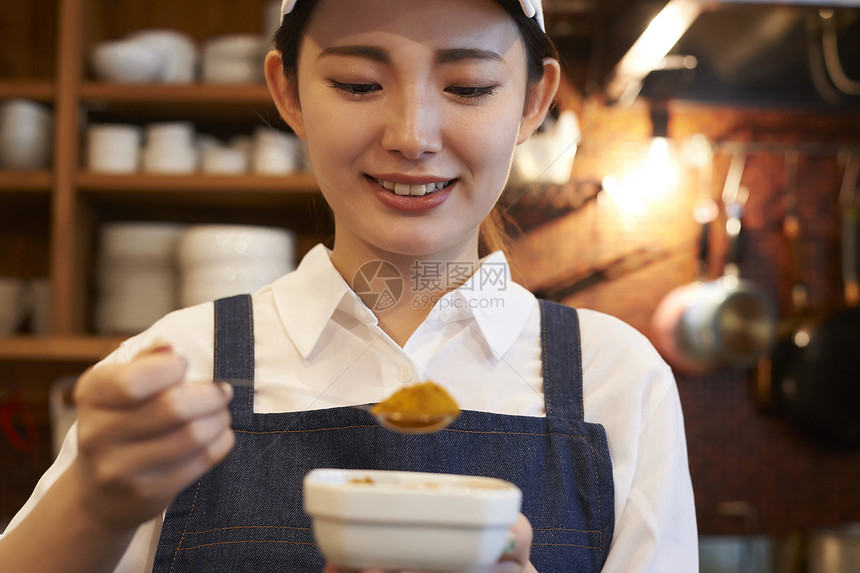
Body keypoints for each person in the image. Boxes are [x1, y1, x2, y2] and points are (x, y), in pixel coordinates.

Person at [0, 0, 698, 571]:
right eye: (359, 84)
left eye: (469, 87)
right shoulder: (182, 367)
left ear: (532, 101)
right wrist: (92, 503)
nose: (412, 135)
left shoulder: (617, 378)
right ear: (287, 92)